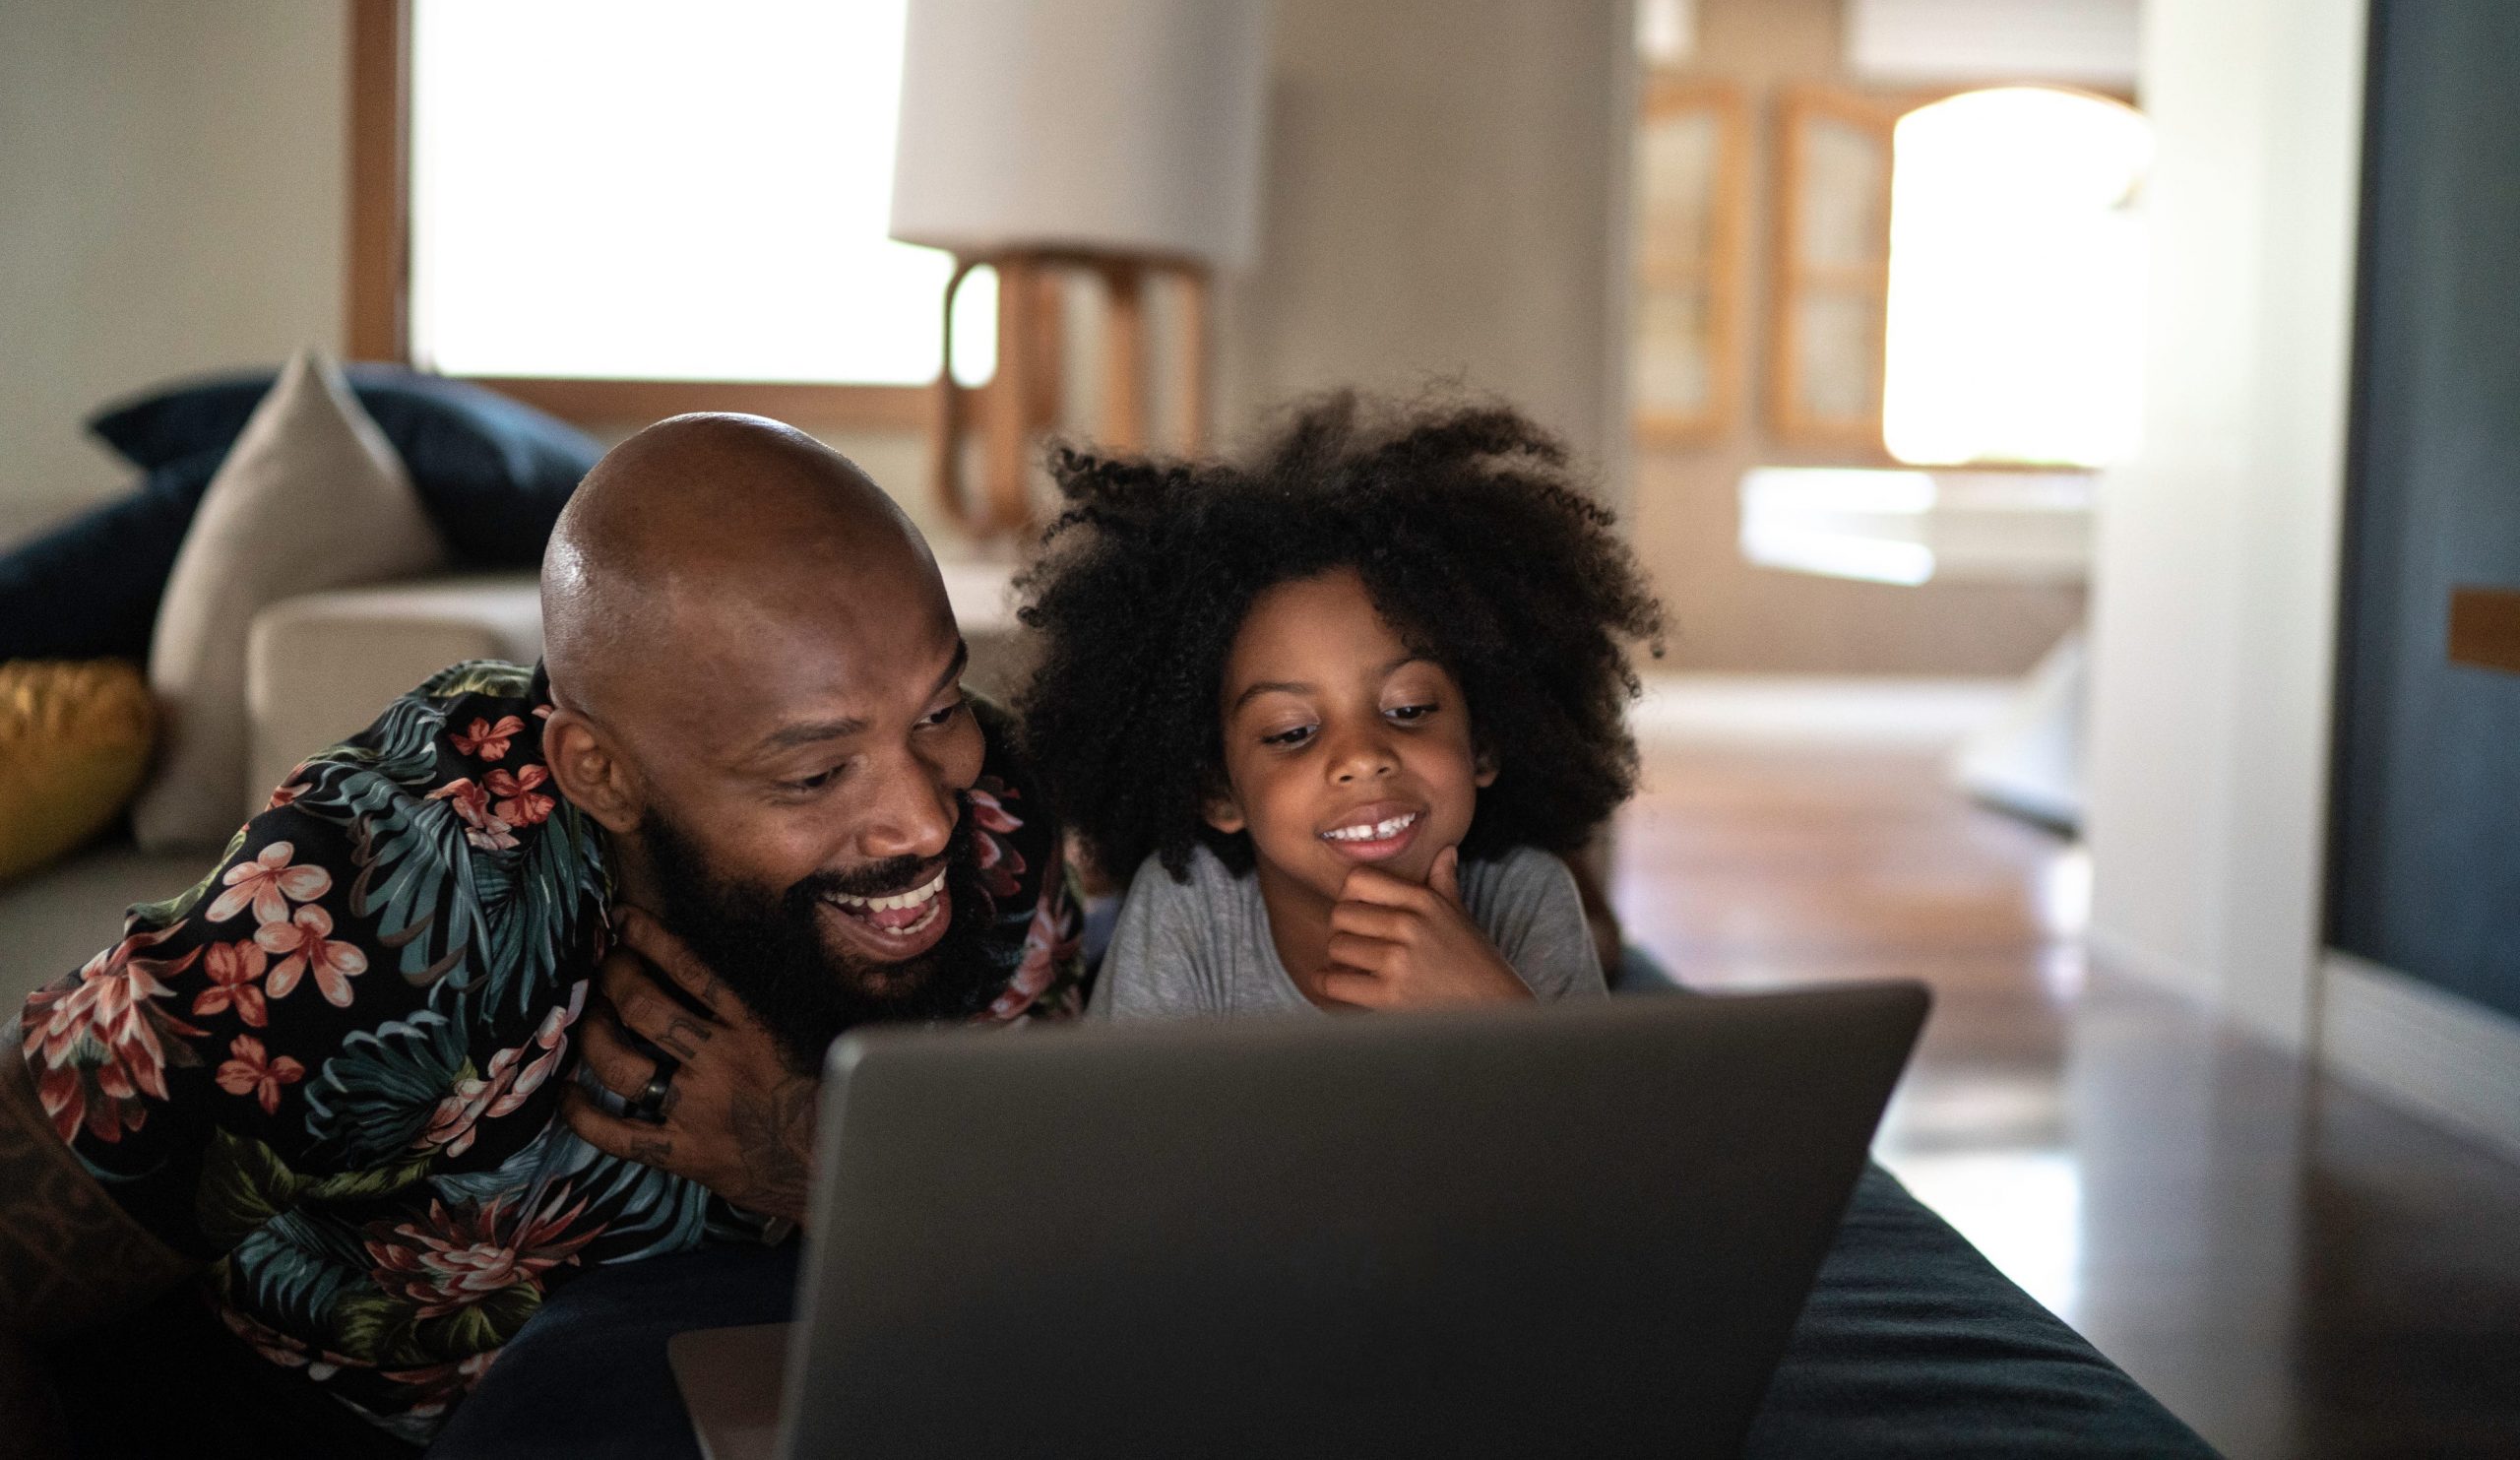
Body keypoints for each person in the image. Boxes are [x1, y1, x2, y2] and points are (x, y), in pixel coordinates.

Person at [0, 415, 1081, 1455]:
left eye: (936, 707)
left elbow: (1081, 1265)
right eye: (813, 771)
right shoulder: (384, 896)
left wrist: (809, 1161)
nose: (926, 816)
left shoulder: (998, 829)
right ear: (598, 774)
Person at [1016, 394, 1663, 1019]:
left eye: (1409, 709)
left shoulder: (1527, 898)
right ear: (1220, 791)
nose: (1361, 757)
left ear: (1484, 741)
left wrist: (1492, 1011)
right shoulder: (1188, 911)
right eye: (1292, 732)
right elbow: (1126, 1130)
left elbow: (1587, 1131)